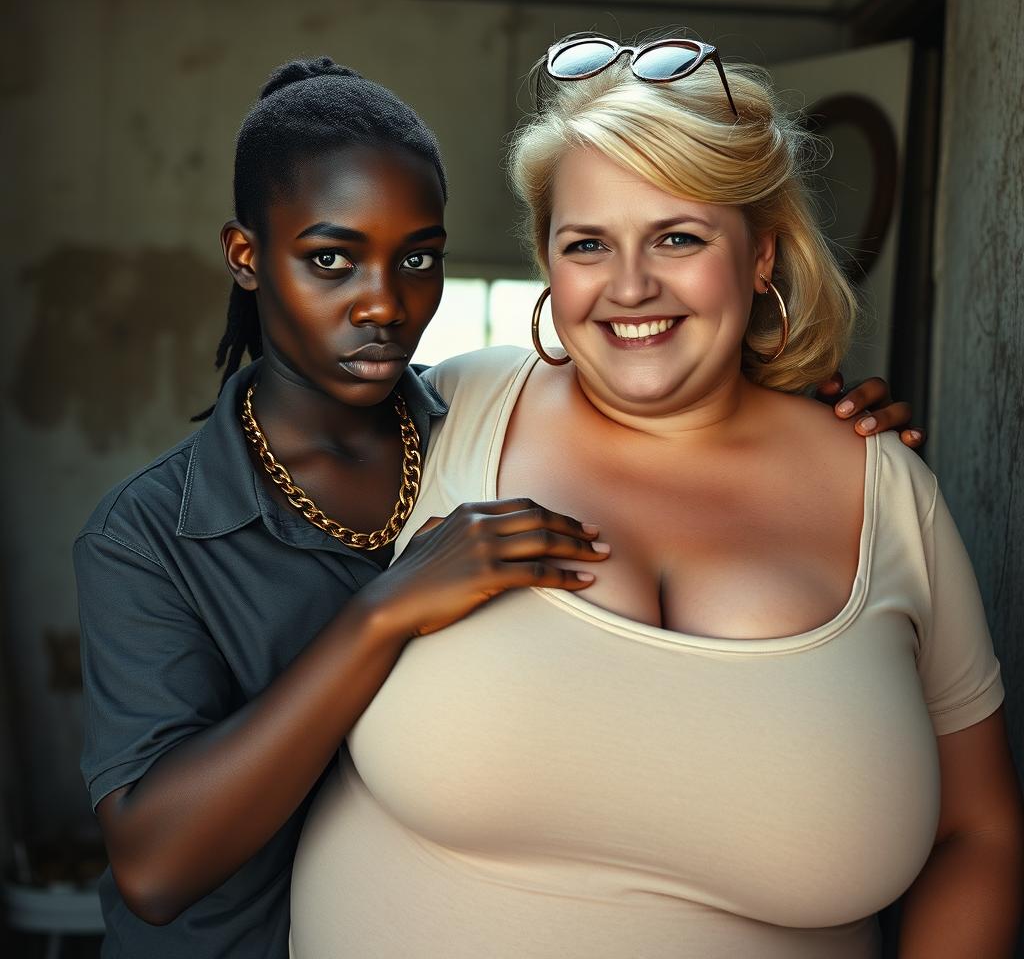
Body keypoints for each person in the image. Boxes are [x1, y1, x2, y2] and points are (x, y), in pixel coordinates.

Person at [75, 56, 925, 959]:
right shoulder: (148, 535)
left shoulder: (475, 428)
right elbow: (156, 869)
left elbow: (662, 392)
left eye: (419, 259)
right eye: (331, 258)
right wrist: (383, 613)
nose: (383, 304)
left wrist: (788, 405)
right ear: (247, 257)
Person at [288, 37, 1024, 958]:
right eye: (587, 244)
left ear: (761, 257)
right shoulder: (448, 411)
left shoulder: (889, 493)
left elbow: (978, 835)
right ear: (549, 266)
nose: (630, 287)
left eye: (678, 237)